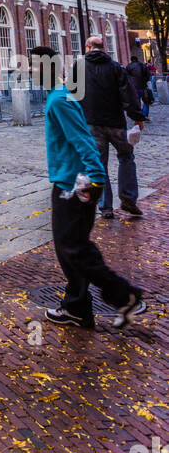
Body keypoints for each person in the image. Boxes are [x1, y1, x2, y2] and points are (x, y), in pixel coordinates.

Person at [37, 46, 145, 330]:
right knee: (70, 248)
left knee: (74, 248)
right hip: (67, 180)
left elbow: (83, 141)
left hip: (74, 183)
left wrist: (95, 180)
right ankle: (77, 307)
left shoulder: (59, 99)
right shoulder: (59, 97)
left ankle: (125, 296)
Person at [78, 35, 144, 219]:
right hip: (115, 122)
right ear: (103, 48)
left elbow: (72, 96)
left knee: (100, 164)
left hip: (91, 123)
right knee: (126, 157)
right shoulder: (115, 67)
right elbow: (128, 95)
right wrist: (137, 118)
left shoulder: (79, 67)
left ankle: (105, 206)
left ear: (89, 47)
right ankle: (128, 197)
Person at [125, 54, 153, 123]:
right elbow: (148, 75)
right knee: (146, 102)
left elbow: (126, 78)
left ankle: (139, 117)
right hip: (143, 87)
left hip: (133, 88)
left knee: (137, 103)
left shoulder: (129, 66)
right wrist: (145, 81)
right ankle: (144, 115)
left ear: (131, 60)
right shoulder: (143, 65)